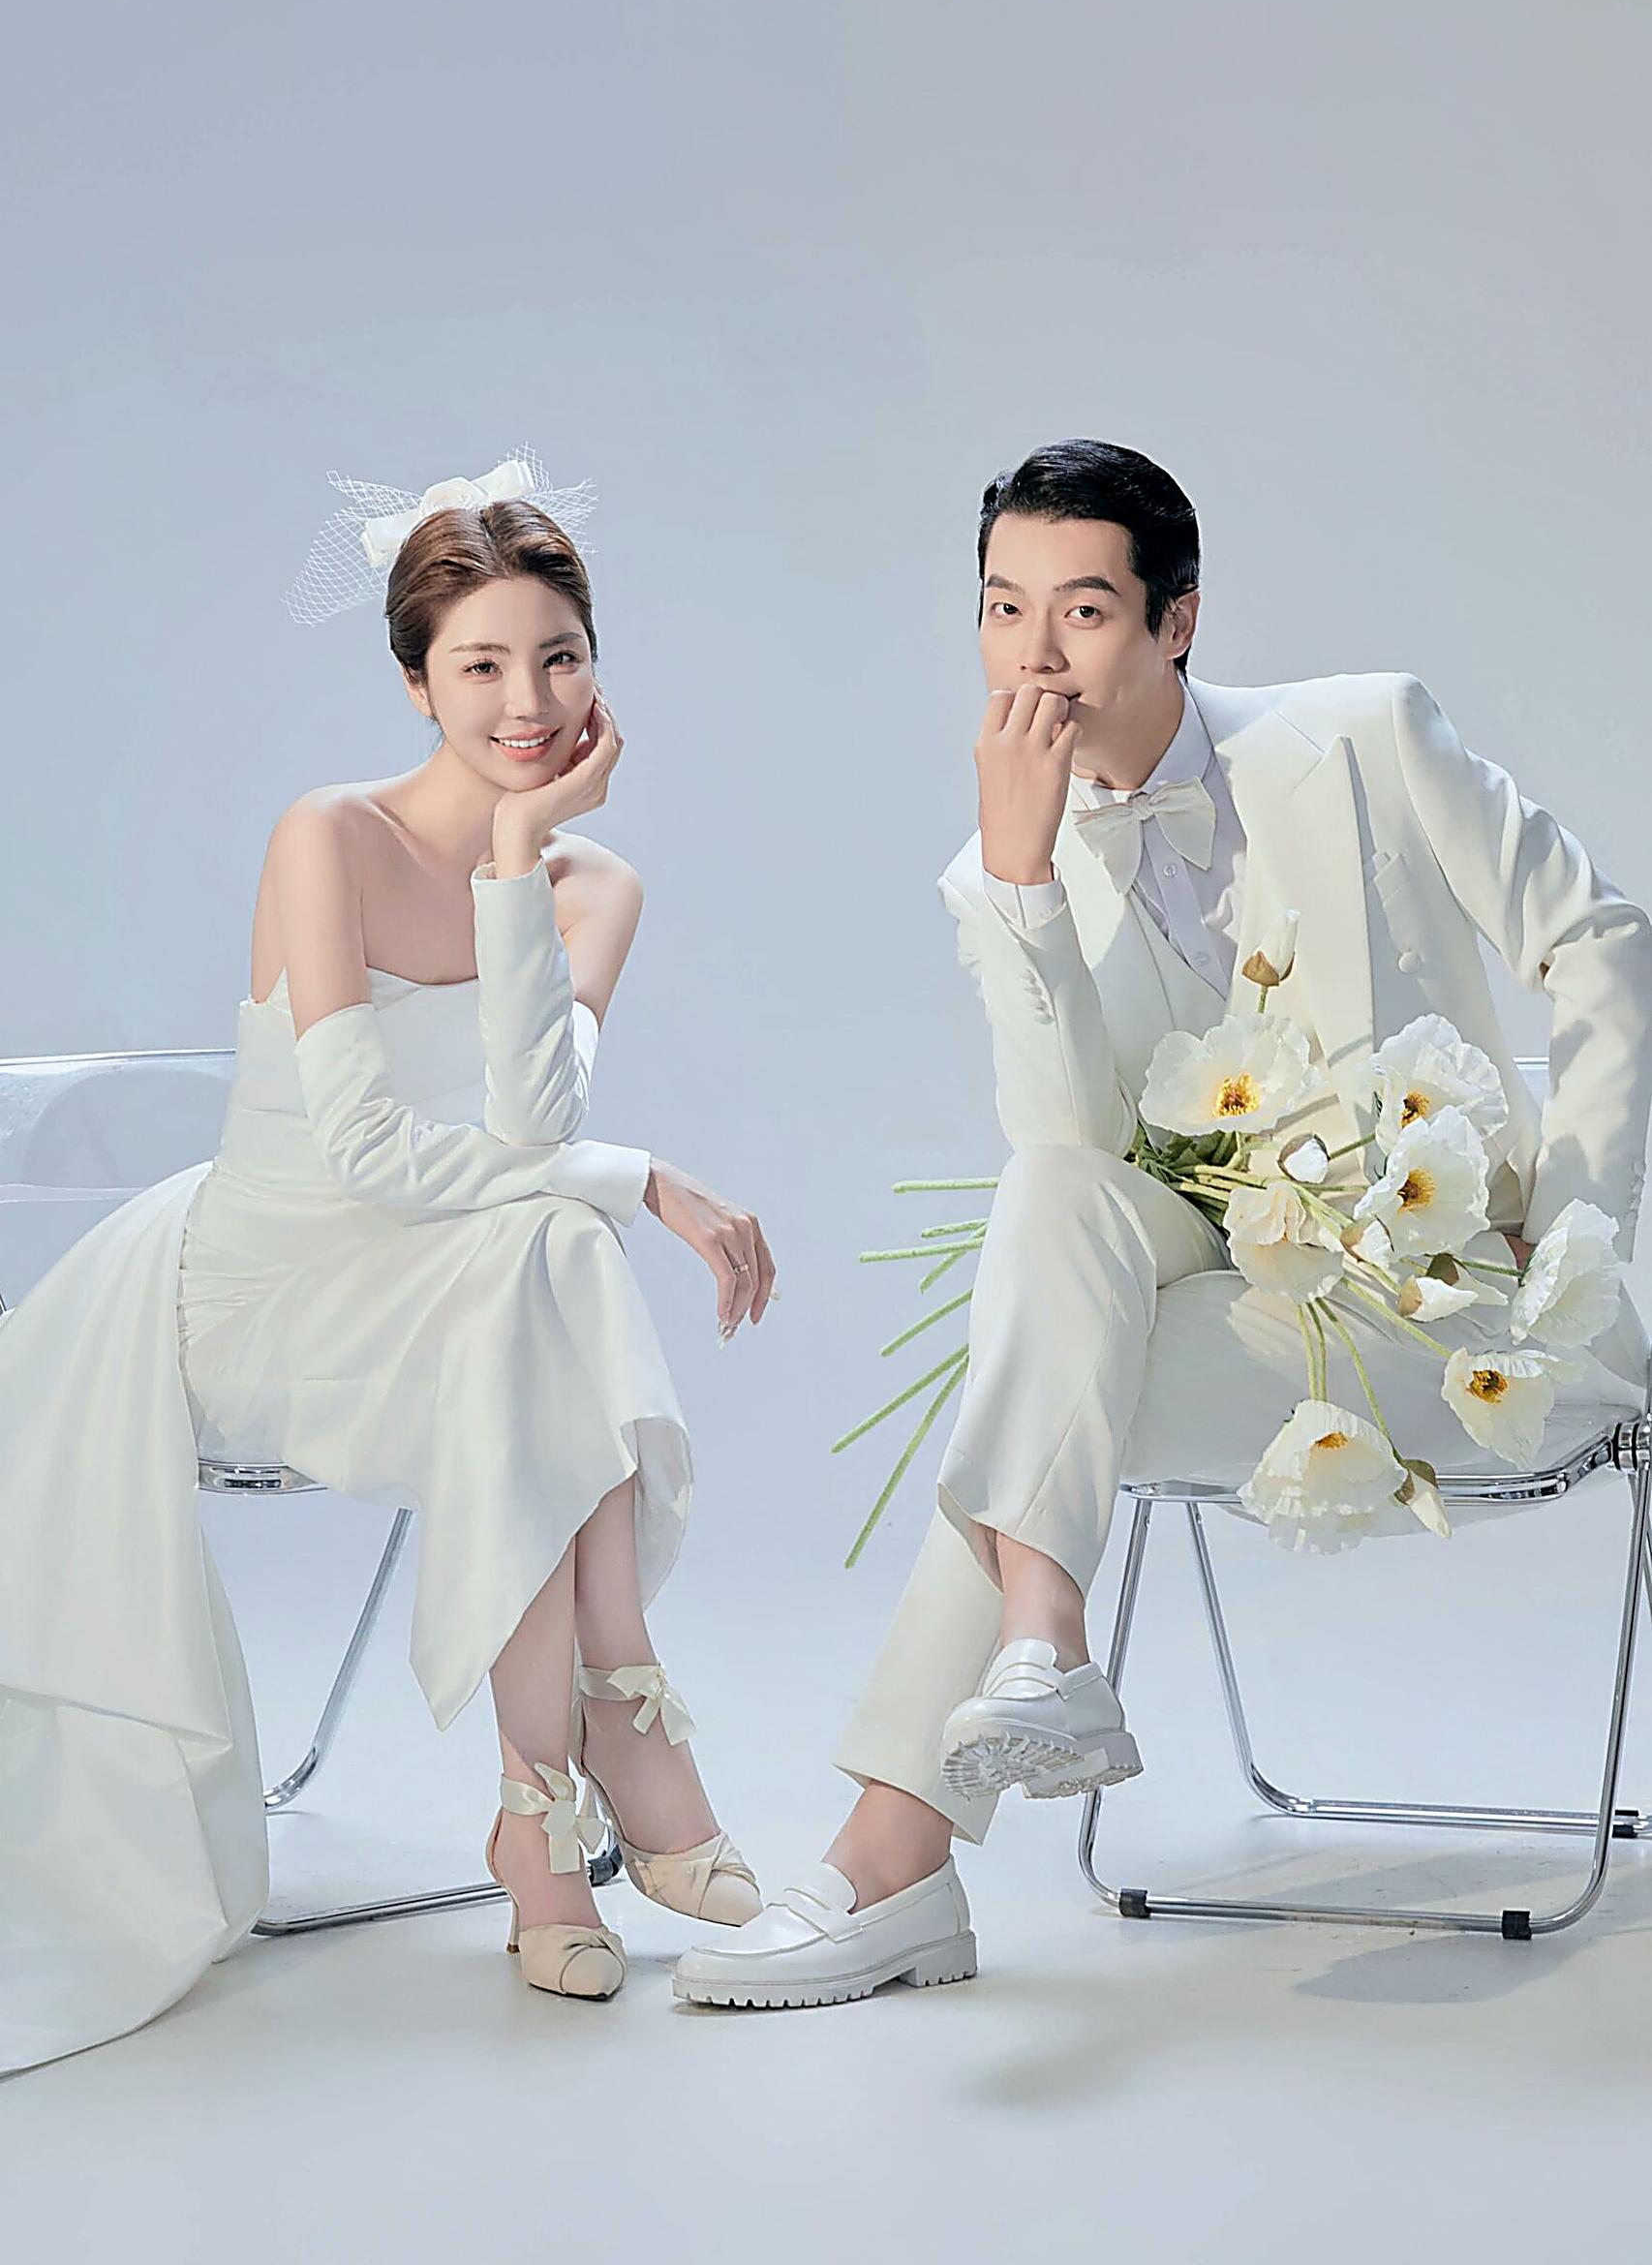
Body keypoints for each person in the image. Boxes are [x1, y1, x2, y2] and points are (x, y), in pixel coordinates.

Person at [672, 437, 1652, 2010]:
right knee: (1051, 1201)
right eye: (1000, 611)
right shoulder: (995, 870)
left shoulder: (1367, 736)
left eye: (1079, 611)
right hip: (1239, 1318)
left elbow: (1602, 941)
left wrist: (1568, 1225)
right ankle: (1033, 1665)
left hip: (1464, 1322)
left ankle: (893, 1855)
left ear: (1173, 620)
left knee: (1038, 1395)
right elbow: (1070, 1146)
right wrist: (1022, 878)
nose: (1033, 656)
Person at [0, 459, 775, 2069]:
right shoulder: (327, 836)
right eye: (481, 665)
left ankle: (536, 1820)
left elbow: (529, 1120)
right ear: (416, 681)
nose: (527, 701)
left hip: (462, 1284)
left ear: (597, 667)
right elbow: (362, 1156)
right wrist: (639, 1179)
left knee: (535, 1254)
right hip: (269, 1280)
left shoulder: (597, 887)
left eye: (558, 657)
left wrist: (521, 859)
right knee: (553, 1240)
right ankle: (617, 1728)